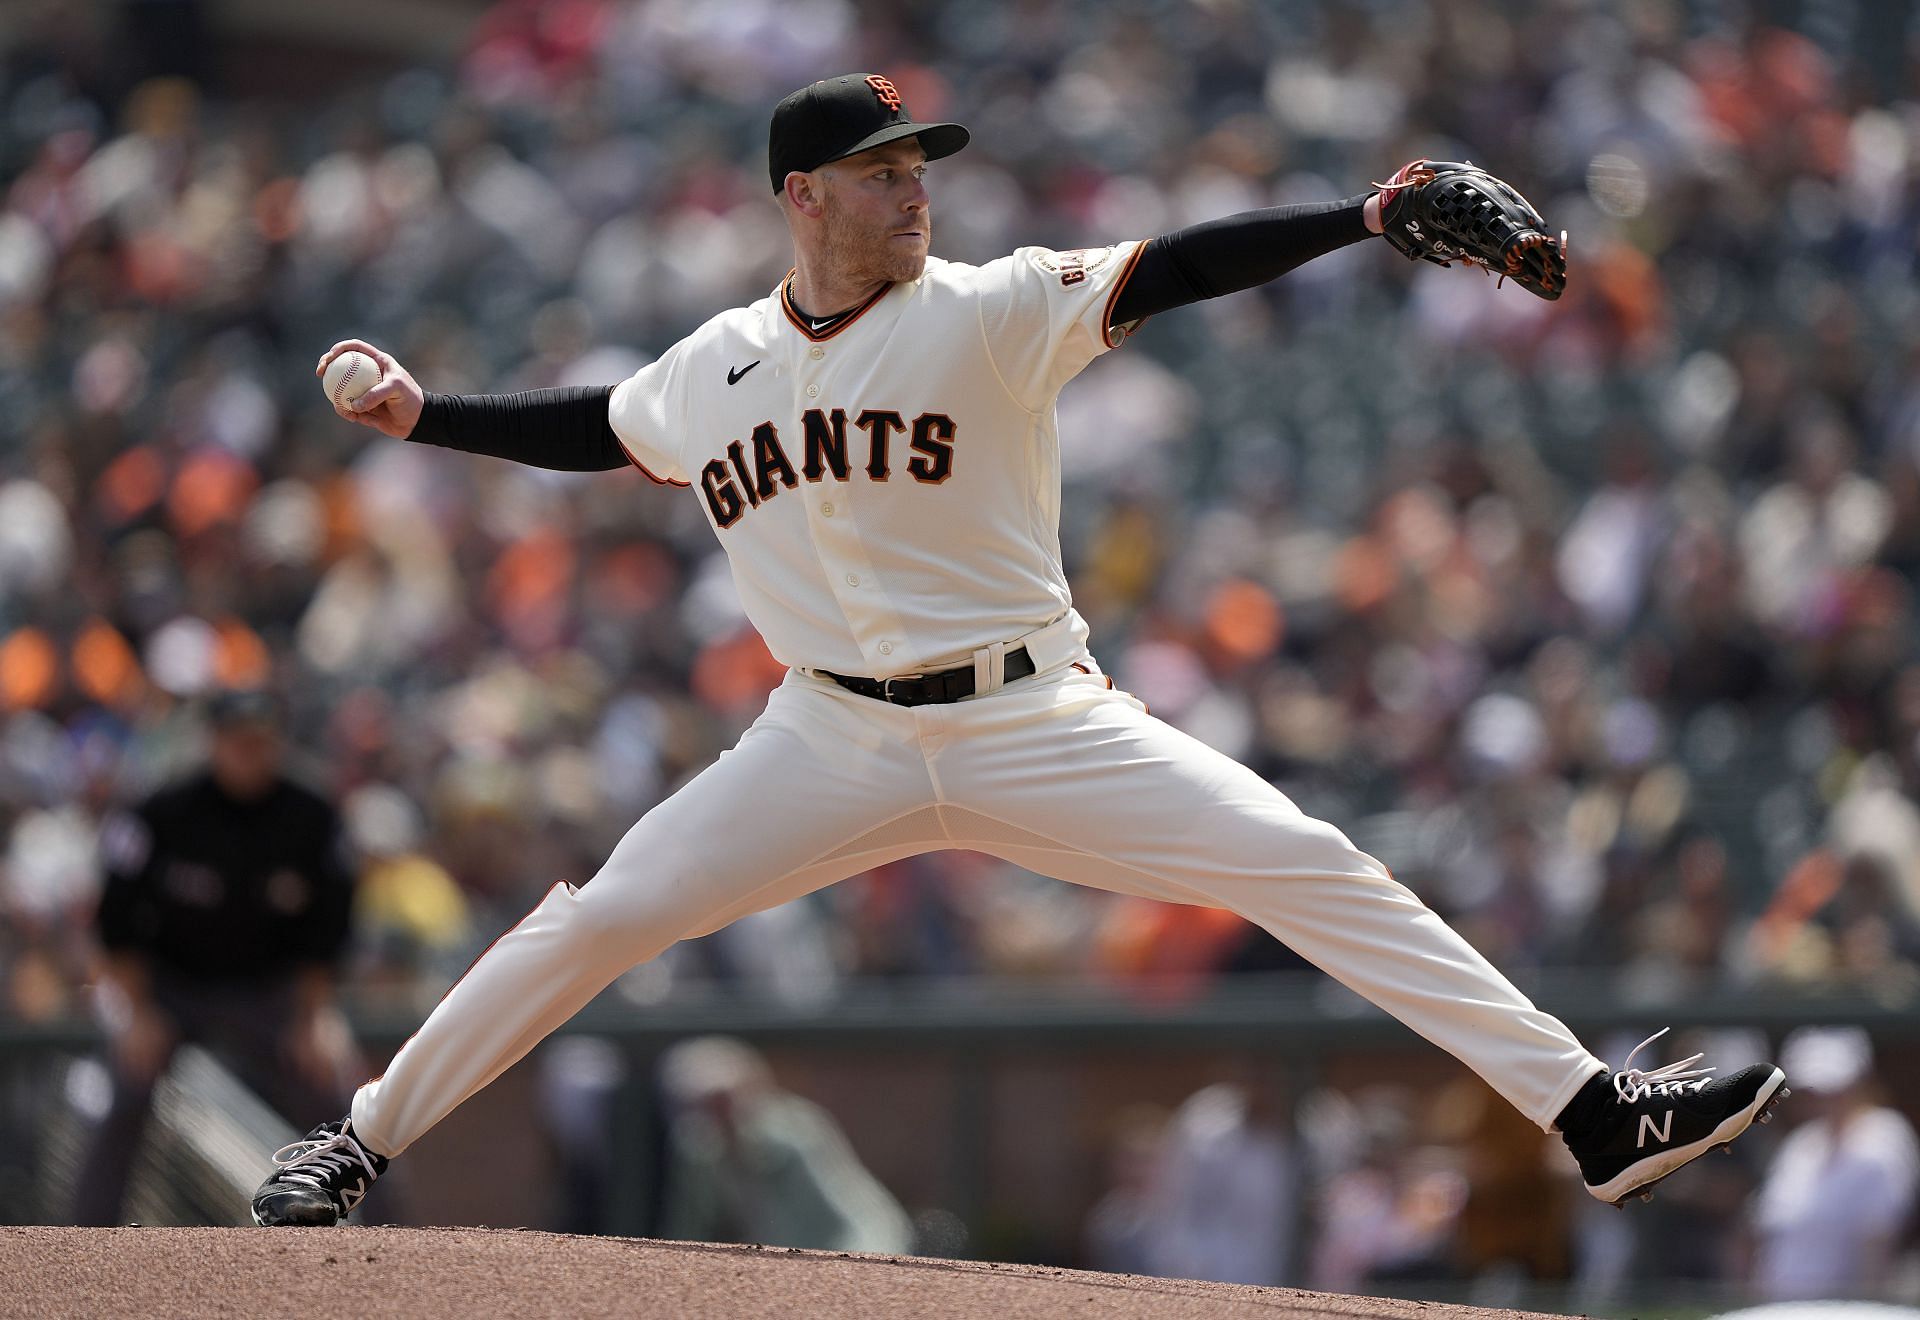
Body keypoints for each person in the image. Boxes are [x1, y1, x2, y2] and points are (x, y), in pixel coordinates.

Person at [251, 73, 1785, 1229]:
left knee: (1306, 856)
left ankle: (1591, 1114)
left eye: (921, 163)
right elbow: (597, 428)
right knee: (597, 918)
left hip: (1033, 713)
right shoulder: (706, 366)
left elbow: (1175, 265)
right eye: (881, 169)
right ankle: (361, 1141)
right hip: (825, 738)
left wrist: (1364, 215)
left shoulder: (990, 307)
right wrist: (425, 415)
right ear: (803, 195)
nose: (916, 187)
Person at [75, 688, 358, 1225]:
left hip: (268, 991)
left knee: (338, 1093)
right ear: (213, 741)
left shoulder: (312, 815)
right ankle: (84, 1238)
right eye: (237, 741)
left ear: (277, 742)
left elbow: (332, 924)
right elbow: (115, 916)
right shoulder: (162, 810)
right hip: (171, 988)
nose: (248, 753)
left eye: (260, 741)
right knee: (124, 1089)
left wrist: (315, 1015)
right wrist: (135, 1013)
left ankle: (397, 1239)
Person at [656, 1036, 914, 1254]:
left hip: (860, 1251)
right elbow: (689, 1230)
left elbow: (851, 1220)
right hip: (786, 1271)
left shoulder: (795, 1132)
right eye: (705, 1103)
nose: (719, 1113)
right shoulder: (699, 1150)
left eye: (723, 1100)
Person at [1749, 1027, 1918, 1300]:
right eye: (1813, 1091)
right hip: (1777, 1306)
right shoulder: (1801, 1143)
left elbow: (1877, 1244)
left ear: (1860, 1082)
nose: (1822, 1100)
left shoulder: (1884, 1139)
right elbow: (1765, 1232)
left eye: (1834, 1089)